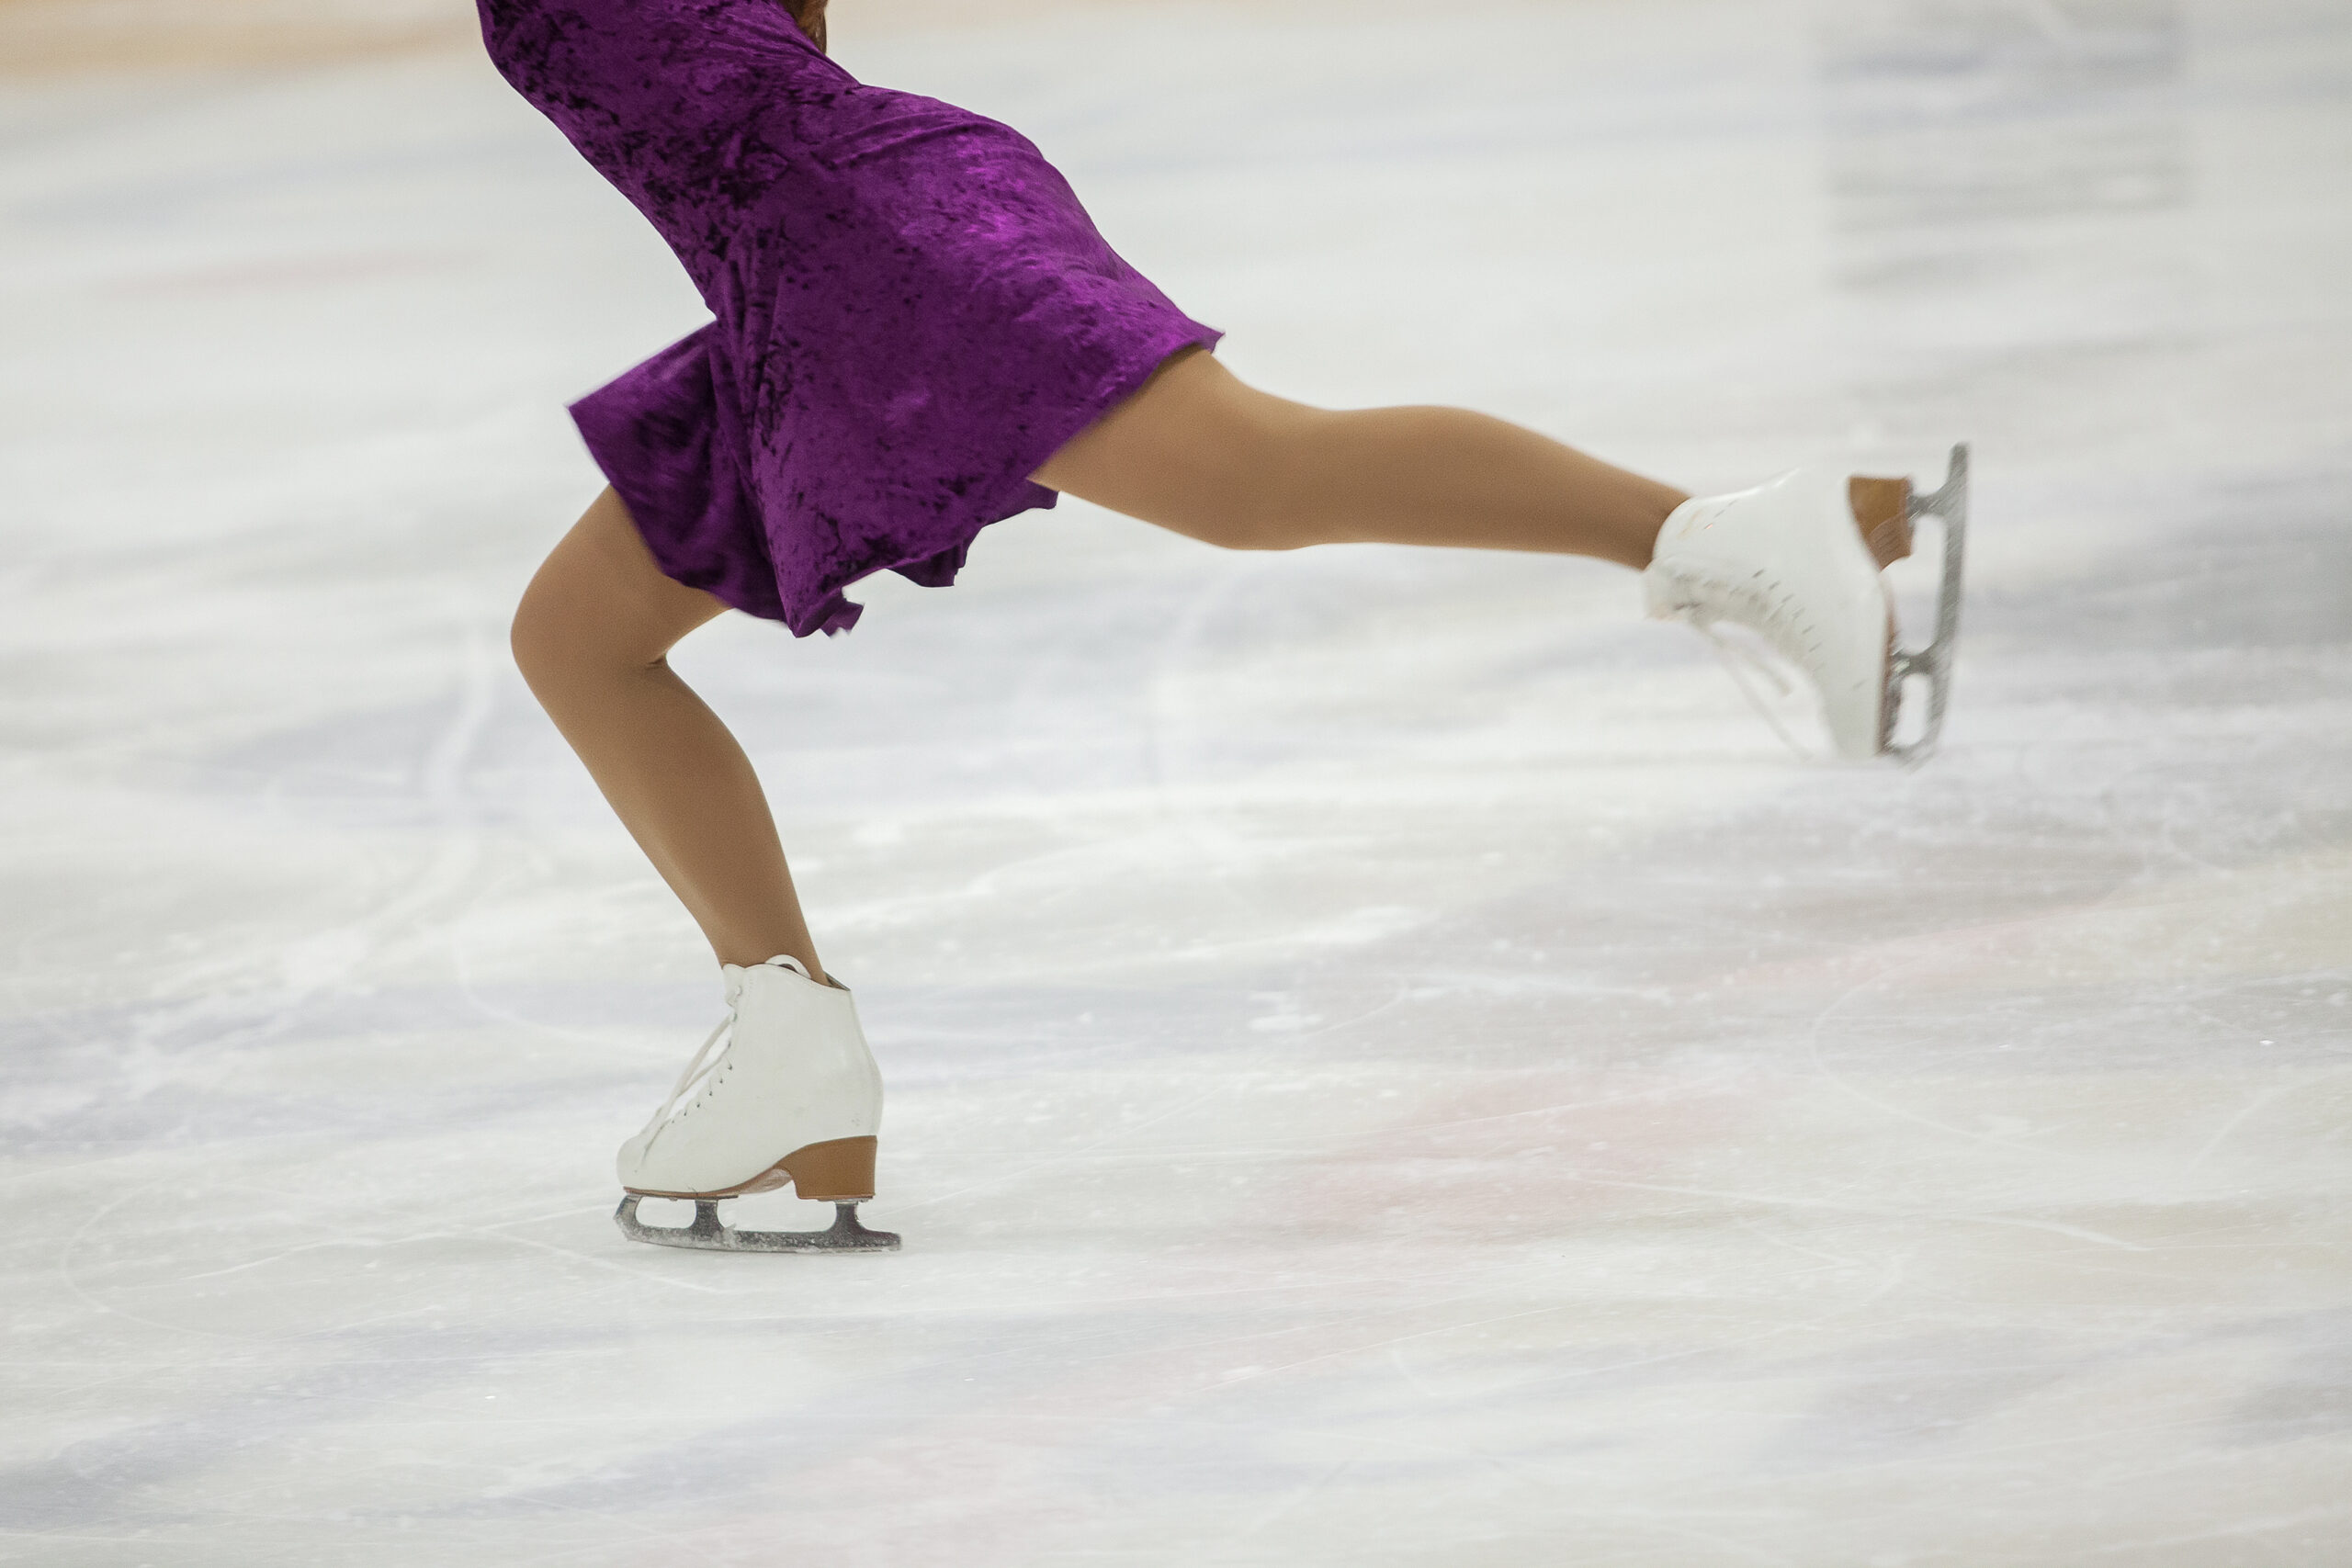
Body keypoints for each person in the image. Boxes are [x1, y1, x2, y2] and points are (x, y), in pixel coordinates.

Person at [480, 0, 1956, 1252]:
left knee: (1259, 479)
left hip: (882, 246)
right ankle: (787, 1038)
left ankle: (1749, 540)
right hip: (805, 279)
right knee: (582, 639)